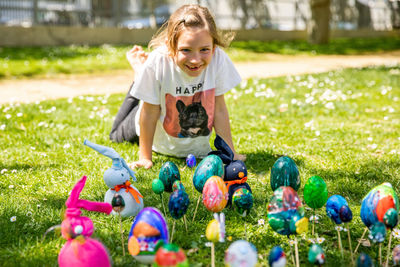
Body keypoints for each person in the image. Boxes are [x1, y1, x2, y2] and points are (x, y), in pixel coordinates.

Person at [110, 4, 245, 169]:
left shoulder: (218, 60)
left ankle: (143, 78)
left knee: (149, 83)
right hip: (147, 115)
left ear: (214, 47)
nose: (195, 60)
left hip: (187, 138)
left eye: (204, 49)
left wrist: (230, 152)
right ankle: (139, 76)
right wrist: (145, 157)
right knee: (115, 135)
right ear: (170, 47)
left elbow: (219, 109)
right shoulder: (158, 62)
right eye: (186, 50)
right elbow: (150, 111)